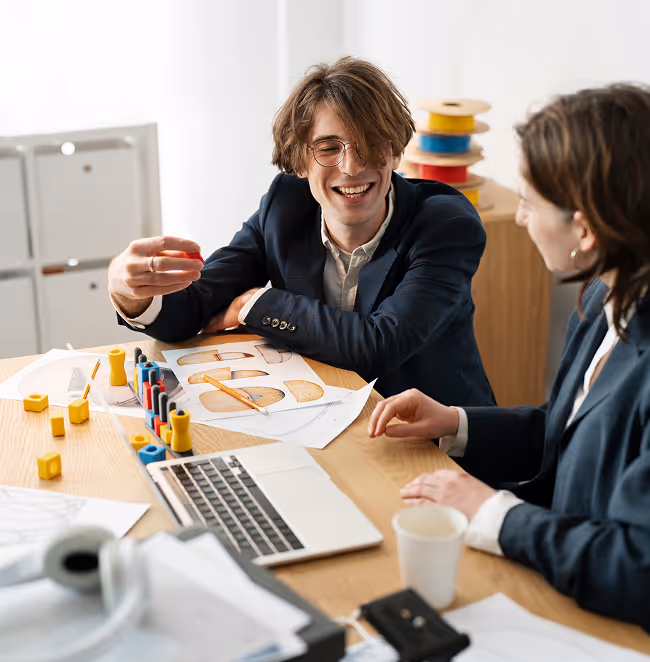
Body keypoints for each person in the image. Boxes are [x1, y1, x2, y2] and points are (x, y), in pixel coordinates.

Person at [368, 84, 650, 628]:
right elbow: (569, 436)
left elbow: (636, 569)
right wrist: (455, 423)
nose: (519, 218)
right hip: (560, 588)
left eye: (528, 201)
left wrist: (494, 514)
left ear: (586, 229)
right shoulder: (603, 296)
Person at [107, 57, 495, 406]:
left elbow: (379, 345)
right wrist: (129, 293)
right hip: (328, 422)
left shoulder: (446, 224)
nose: (351, 166)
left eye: (371, 144)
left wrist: (253, 305)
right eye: (328, 148)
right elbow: (193, 310)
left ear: (395, 152)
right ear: (299, 161)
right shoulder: (285, 206)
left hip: (438, 447)